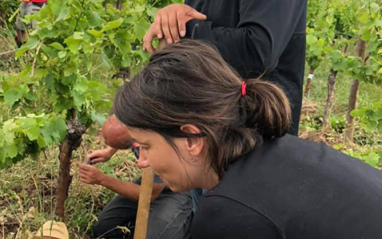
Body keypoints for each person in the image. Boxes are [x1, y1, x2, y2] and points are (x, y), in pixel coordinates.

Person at [113, 40, 382, 238]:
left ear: (192, 139)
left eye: (146, 146)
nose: (143, 162)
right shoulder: (279, 151)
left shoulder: (231, 213)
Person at [143, 0, 307, 135]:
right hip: (205, 126)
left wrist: (186, 30)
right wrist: (175, 17)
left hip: (256, 133)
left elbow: (257, 50)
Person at [78, 115, 193, 239]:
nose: (104, 141)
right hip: (151, 182)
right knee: (104, 228)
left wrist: (102, 179)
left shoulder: (159, 145)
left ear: (136, 140)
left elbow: (148, 194)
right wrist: (109, 151)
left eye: (107, 140)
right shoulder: (137, 121)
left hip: (178, 189)